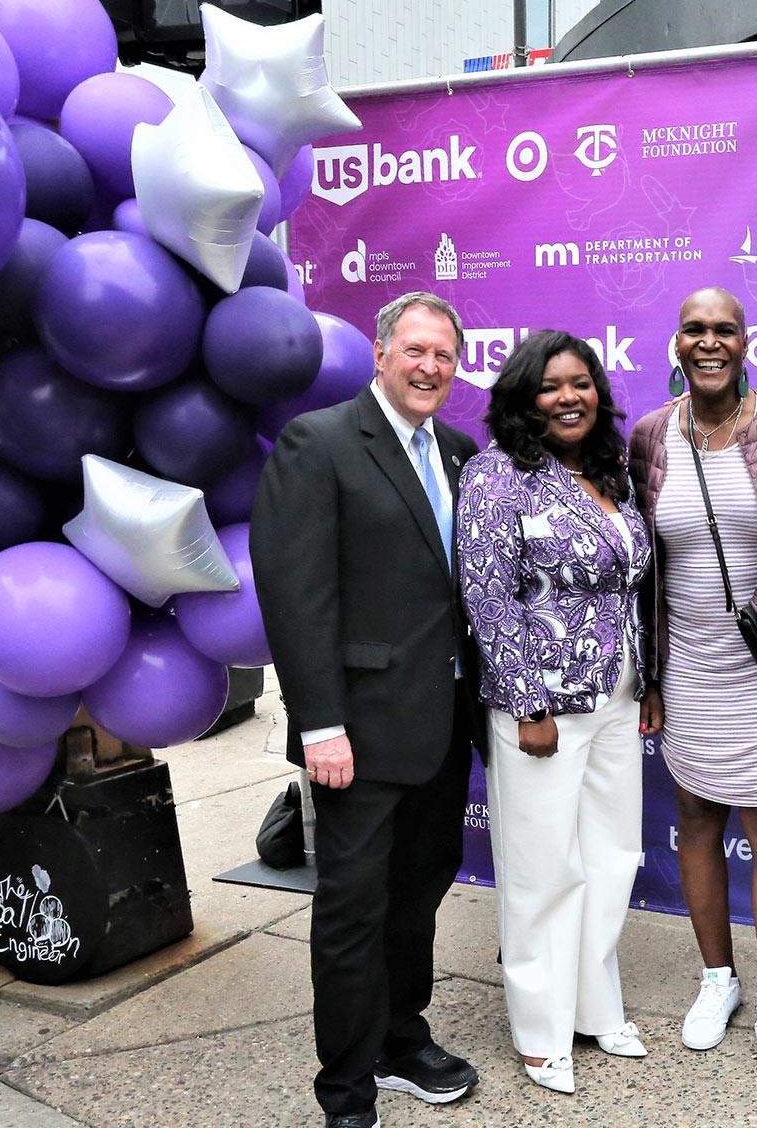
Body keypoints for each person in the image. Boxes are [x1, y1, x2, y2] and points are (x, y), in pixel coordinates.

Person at [252, 291, 484, 1128]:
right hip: (353, 734)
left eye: (445, 357)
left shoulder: (460, 451)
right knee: (352, 913)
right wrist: (320, 724)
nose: (430, 368)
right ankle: (346, 1092)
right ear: (382, 354)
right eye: (416, 351)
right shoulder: (318, 444)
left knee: (418, 893)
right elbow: (296, 593)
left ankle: (400, 1039)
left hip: (443, 726)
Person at [628, 286, 757, 1093]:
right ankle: (720, 979)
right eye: (695, 330)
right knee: (696, 817)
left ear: (747, 341)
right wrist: (650, 675)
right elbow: (641, 568)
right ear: (676, 343)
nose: (710, 342)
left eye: (725, 330)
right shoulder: (647, 437)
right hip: (689, 665)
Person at [456, 331, 653, 1096]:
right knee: (542, 869)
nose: (569, 397)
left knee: (610, 857)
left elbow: (629, 586)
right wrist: (526, 702)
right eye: (551, 385)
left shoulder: (611, 472)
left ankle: (594, 1005)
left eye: (582, 382)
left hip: (617, 692)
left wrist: (649, 680)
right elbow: (489, 596)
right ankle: (540, 1028)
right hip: (540, 703)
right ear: (523, 397)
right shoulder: (497, 476)